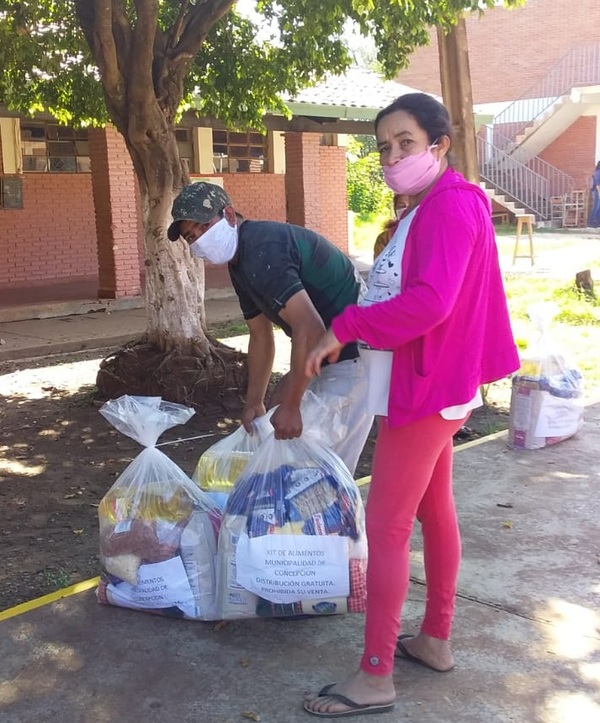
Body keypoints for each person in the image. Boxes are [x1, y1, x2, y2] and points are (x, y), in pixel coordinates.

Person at [303, 92, 520, 718]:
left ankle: (375, 677)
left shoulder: (449, 207)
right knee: (433, 508)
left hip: (426, 389)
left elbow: (431, 303)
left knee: (387, 525)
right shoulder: (430, 206)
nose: (393, 156)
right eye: (384, 146)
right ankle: (435, 639)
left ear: (439, 144)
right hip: (429, 383)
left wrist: (344, 323)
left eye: (406, 142)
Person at [167, 182, 373, 475]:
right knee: (283, 412)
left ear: (228, 215)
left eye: (202, 226)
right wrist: (254, 403)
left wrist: (292, 406)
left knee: (321, 472)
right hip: (326, 352)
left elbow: (310, 327)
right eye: (191, 236)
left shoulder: (262, 249)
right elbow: (260, 335)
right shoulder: (240, 261)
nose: (199, 239)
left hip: (353, 353)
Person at [372, 194, 408, 260]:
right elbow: (381, 267)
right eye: (402, 206)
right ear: (395, 209)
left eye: (411, 206)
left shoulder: (427, 235)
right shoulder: (384, 238)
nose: (407, 210)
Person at [587, 161, 600, 228]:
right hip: (596, 191)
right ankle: (590, 223)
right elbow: (598, 184)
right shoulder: (598, 173)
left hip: (597, 191)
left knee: (599, 207)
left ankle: (598, 223)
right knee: (595, 207)